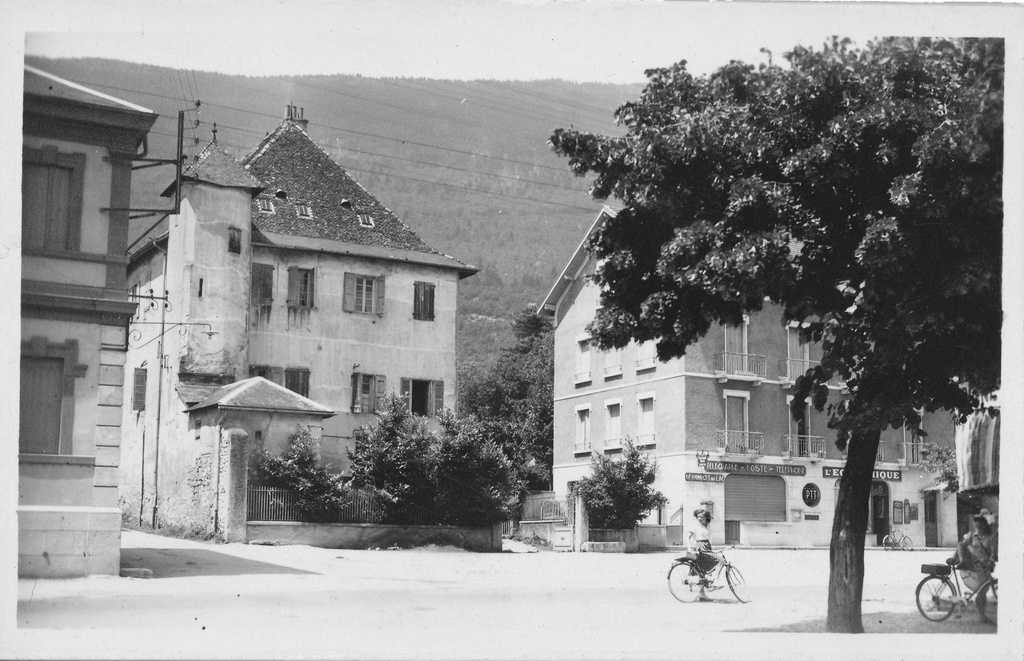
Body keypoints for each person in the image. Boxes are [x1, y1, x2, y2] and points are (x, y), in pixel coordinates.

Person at [952, 514, 998, 624]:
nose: (978, 528)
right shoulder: (973, 536)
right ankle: (982, 616)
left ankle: (981, 613)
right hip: (974, 565)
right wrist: (956, 558)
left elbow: (993, 552)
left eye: (980, 526)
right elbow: (961, 545)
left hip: (985, 566)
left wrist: (991, 560)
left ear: (985, 526)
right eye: (976, 526)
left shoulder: (989, 537)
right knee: (982, 591)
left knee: (983, 590)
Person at [687, 508, 717, 600]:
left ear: (706, 518)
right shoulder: (695, 525)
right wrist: (689, 549)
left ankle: (702, 593)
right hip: (700, 546)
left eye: (702, 517)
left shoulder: (708, 525)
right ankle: (702, 593)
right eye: (698, 516)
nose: (699, 518)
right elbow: (687, 537)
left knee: (707, 569)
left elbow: (707, 537)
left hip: (707, 546)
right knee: (703, 569)